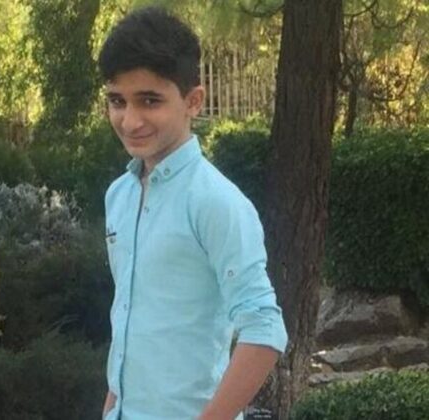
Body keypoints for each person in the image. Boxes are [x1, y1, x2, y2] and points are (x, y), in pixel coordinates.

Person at [99, 7, 288, 420]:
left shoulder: (216, 202)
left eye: (150, 100)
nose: (130, 121)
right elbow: (129, 319)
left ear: (193, 101)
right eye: (117, 101)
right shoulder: (119, 196)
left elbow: (264, 329)